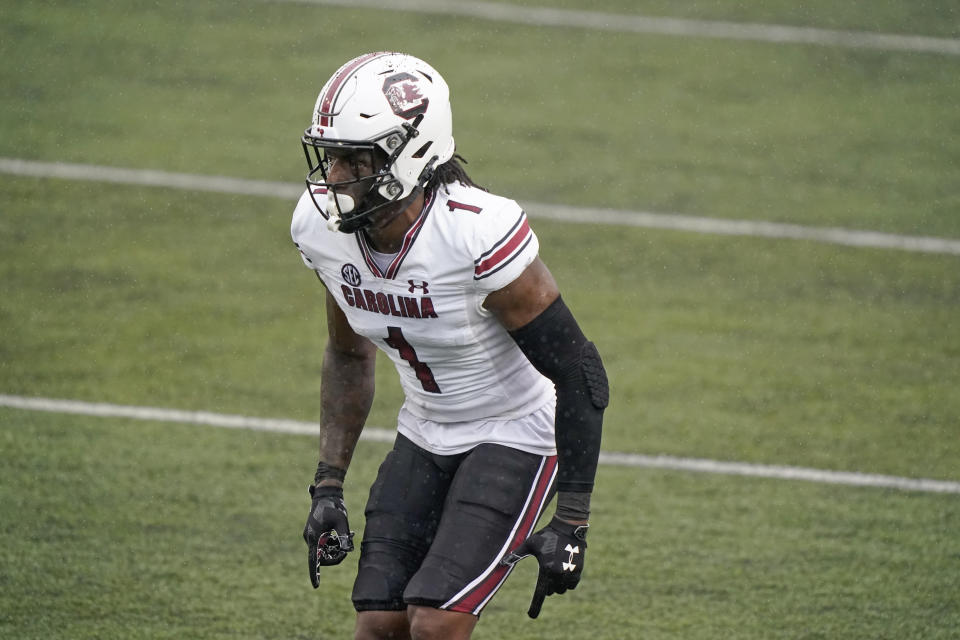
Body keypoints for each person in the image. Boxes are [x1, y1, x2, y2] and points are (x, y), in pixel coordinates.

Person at [291, 52, 609, 640]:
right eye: (330, 157)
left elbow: (580, 370)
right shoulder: (322, 231)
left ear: (411, 154)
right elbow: (347, 353)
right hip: (425, 427)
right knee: (379, 625)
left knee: (435, 625)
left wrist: (573, 520)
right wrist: (328, 483)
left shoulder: (472, 231)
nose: (333, 177)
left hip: (515, 429)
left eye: (355, 160)